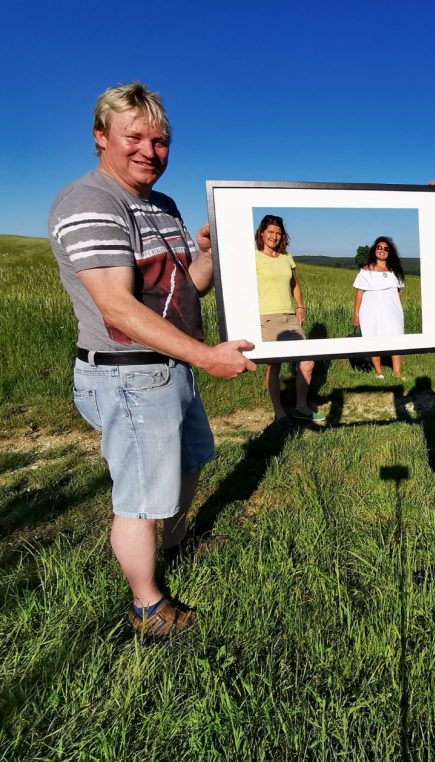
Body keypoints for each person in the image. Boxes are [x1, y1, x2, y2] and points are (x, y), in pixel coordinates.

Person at [48, 83, 255, 637]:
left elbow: (189, 288)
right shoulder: (90, 201)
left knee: (190, 461)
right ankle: (146, 606)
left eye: (160, 141)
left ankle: (180, 538)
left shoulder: (162, 205)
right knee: (140, 496)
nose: (149, 151)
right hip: (126, 372)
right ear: (101, 138)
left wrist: (207, 254)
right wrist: (208, 358)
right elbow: (116, 305)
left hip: (171, 366)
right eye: (134, 137)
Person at [254, 214, 324, 424]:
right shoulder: (253, 257)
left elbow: (295, 284)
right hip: (266, 317)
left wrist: (300, 306)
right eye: (270, 232)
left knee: (307, 362)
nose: (274, 237)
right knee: (274, 365)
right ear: (262, 233)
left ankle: (301, 406)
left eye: (278, 233)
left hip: (289, 316)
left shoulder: (286, 257)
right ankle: (279, 412)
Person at [353, 236, 405, 378]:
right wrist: (356, 314)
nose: (382, 251)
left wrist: (400, 311)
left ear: (390, 252)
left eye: (386, 249)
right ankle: (378, 372)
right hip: (370, 311)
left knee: (397, 339)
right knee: (373, 337)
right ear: (375, 249)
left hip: (392, 311)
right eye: (379, 248)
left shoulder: (395, 271)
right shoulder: (366, 270)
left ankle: (397, 373)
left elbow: (398, 293)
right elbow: (359, 293)